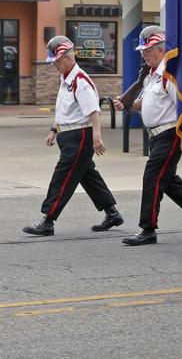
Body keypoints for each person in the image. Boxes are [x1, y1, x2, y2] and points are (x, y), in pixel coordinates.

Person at [113, 26, 182, 246]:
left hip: (170, 133)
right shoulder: (151, 76)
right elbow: (145, 104)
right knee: (167, 179)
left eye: (148, 50)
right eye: (142, 50)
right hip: (156, 136)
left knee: (152, 178)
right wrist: (128, 104)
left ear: (161, 49)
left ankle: (147, 229)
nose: (143, 54)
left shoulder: (169, 74)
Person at [23, 36, 122, 236]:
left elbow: (93, 111)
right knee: (87, 175)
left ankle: (48, 220)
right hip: (69, 135)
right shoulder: (66, 79)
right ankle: (112, 213)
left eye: (58, 61)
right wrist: (54, 129)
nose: (55, 65)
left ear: (69, 58)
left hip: (80, 136)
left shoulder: (80, 81)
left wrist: (96, 137)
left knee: (63, 176)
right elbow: (64, 111)